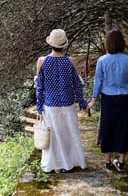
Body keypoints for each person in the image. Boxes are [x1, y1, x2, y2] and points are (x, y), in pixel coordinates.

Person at [36, 28, 89, 173]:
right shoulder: (70, 61)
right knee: (69, 133)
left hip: (50, 104)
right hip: (68, 104)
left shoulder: (42, 61)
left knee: (53, 135)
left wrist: (39, 107)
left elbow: (39, 87)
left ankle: (54, 165)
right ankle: (69, 163)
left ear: (51, 44)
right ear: (64, 44)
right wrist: (83, 103)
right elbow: (77, 85)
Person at [87, 29, 128, 172]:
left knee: (108, 128)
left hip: (108, 99)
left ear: (107, 43)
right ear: (122, 43)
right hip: (124, 98)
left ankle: (107, 161)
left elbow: (98, 82)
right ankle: (121, 162)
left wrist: (93, 99)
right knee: (124, 128)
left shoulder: (102, 60)